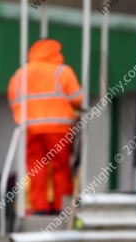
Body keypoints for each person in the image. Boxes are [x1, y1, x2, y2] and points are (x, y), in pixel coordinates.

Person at [8, 39, 82, 215]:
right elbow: (79, 99)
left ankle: (39, 207)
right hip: (58, 129)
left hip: (31, 129)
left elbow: (14, 99)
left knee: (36, 168)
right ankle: (61, 206)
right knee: (60, 168)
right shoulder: (62, 72)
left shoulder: (20, 74)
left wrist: (25, 117)